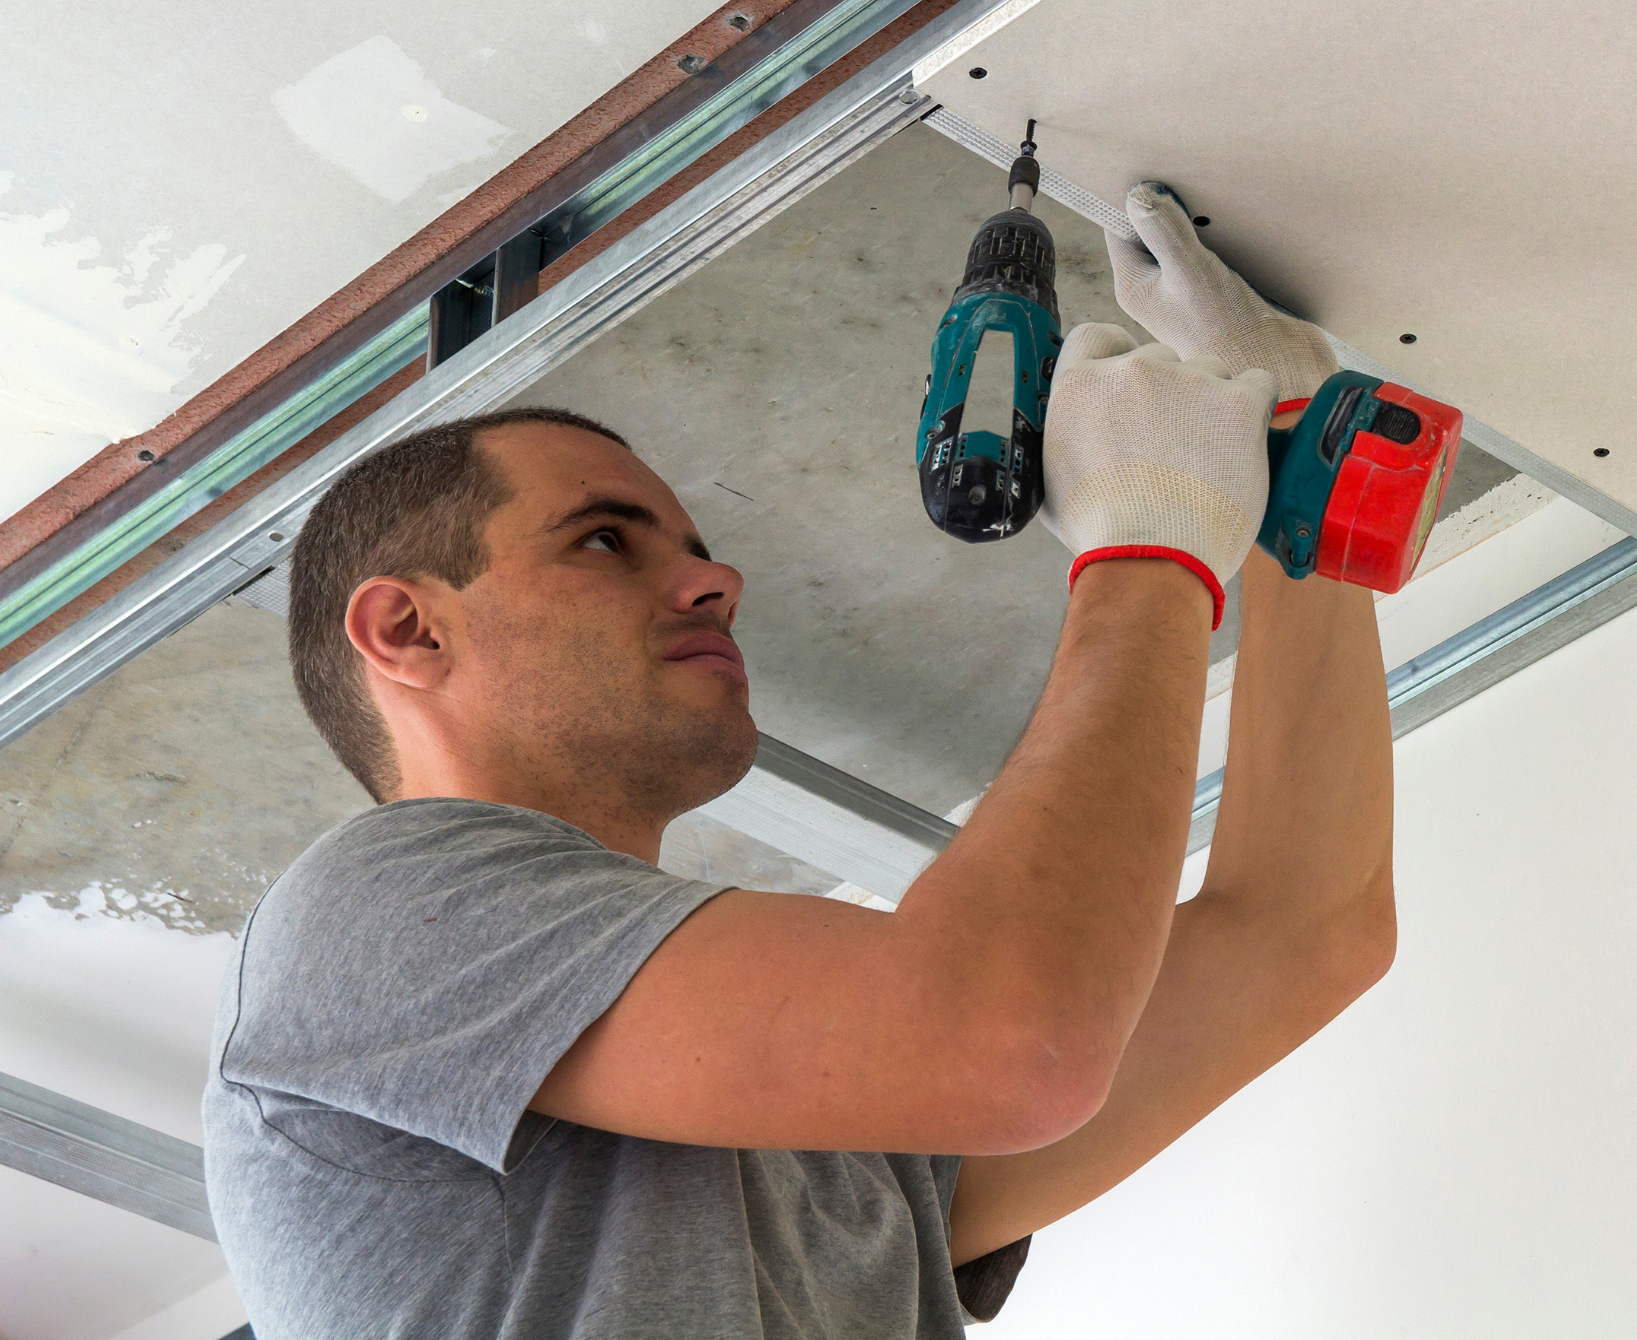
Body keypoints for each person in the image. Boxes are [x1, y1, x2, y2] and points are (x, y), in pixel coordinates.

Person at [203, 187, 1396, 1336]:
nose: (717, 578)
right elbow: (1013, 1040)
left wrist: (1299, 460)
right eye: (603, 539)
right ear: (407, 631)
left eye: (695, 546)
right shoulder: (368, 916)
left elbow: (1305, 926)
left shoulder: (825, 1102)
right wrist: (1150, 541)